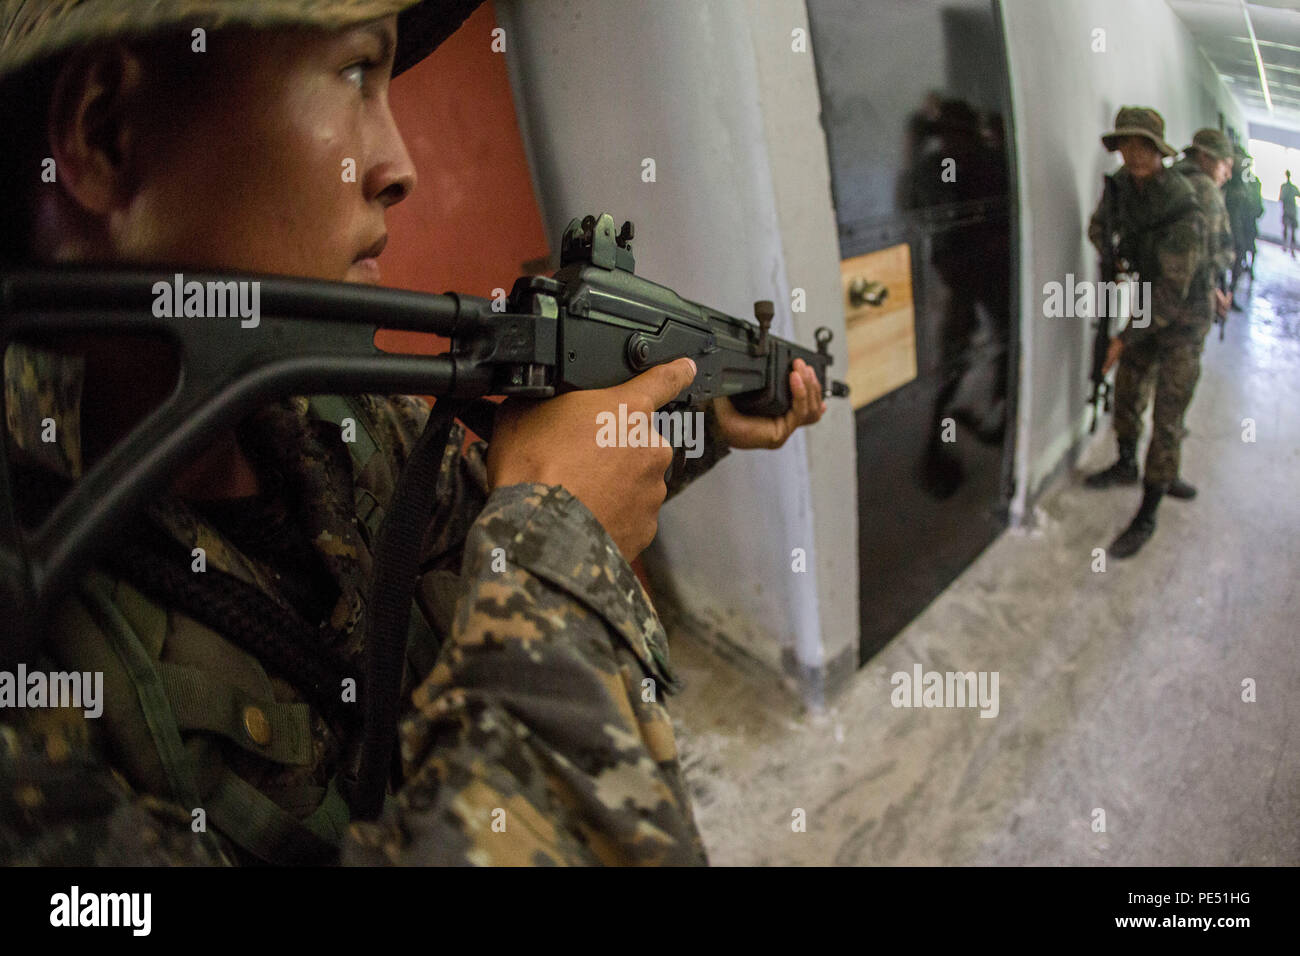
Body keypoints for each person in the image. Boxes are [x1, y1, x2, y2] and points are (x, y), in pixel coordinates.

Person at [0, 0, 828, 865]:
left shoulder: (335, 420)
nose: (400, 168)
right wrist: (560, 547)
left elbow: (513, 513)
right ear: (105, 136)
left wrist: (701, 427)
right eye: (358, 71)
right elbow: (544, 523)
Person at [1083, 110, 1222, 559]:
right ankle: (1125, 463)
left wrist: (1123, 338)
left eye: (1144, 145)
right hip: (1149, 305)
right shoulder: (1121, 186)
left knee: (1168, 414)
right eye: (1127, 144)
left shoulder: (1181, 200)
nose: (1135, 153)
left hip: (1184, 316)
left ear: (1159, 151)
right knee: (1126, 391)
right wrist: (1117, 255)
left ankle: (1149, 507)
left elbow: (1170, 294)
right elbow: (1098, 227)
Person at [1280, 170, 1299, 256]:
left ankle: (1286, 246)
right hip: (1292, 211)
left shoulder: (1284, 187)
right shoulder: (1292, 187)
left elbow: (1281, 198)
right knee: (1291, 231)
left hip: (1287, 211)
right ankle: (1291, 248)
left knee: (1287, 229)